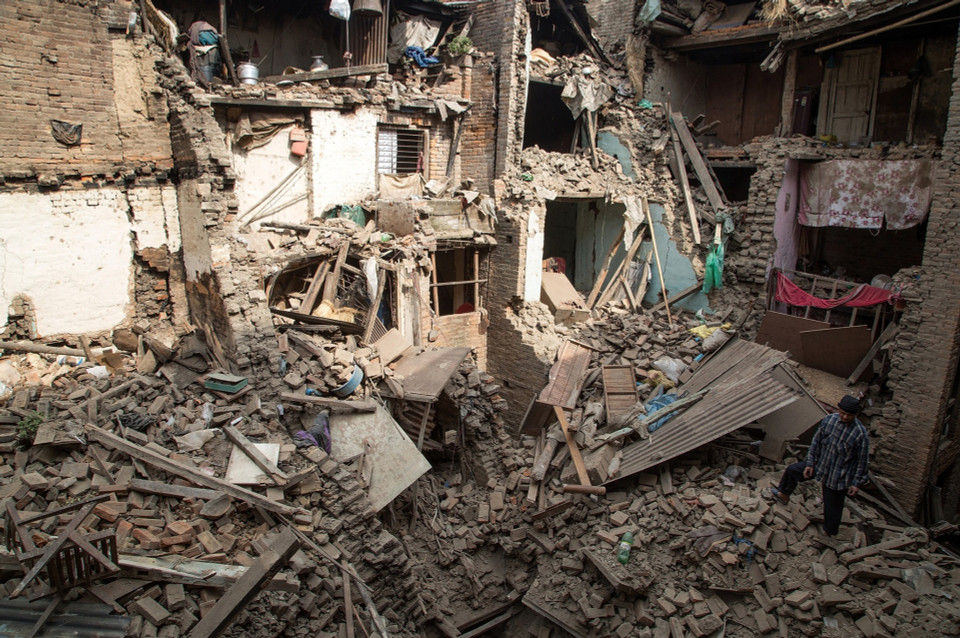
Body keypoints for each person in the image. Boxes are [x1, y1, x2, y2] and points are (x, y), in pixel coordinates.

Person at [764, 395, 869, 537]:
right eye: (842, 413)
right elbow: (816, 443)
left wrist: (856, 483)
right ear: (838, 409)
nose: (844, 417)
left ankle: (829, 533)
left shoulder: (860, 433)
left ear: (855, 415)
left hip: (838, 475)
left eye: (849, 415)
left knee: (833, 506)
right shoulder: (829, 420)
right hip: (820, 465)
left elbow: (861, 461)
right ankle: (784, 494)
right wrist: (811, 463)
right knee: (792, 470)